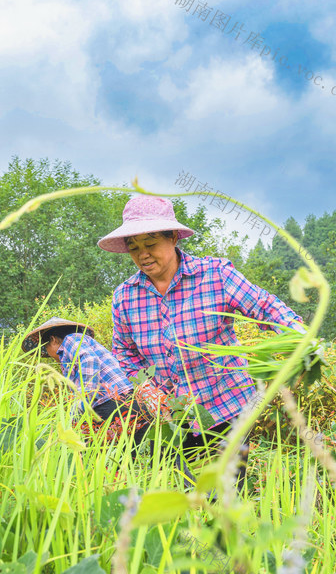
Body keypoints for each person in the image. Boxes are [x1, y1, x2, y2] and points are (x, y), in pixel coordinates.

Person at [97, 195, 313, 484]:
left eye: (150, 244)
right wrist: (147, 390)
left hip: (227, 405)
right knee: (180, 492)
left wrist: (296, 333)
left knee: (227, 491)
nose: (142, 255)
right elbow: (124, 354)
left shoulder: (215, 275)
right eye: (133, 248)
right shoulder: (125, 296)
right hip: (171, 416)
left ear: (172, 237)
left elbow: (264, 307)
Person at [21, 317, 153, 452]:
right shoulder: (80, 347)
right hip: (132, 403)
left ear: (53, 340)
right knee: (127, 460)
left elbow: (89, 360)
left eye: (46, 346)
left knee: (98, 458)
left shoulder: (71, 340)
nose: (47, 353)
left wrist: (83, 401)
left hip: (112, 403)